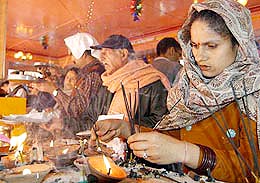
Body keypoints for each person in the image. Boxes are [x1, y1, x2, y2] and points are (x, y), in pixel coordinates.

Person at [91, 1, 260, 182]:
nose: (199, 56)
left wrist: (185, 151)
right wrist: (127, 129)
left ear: (238, 44)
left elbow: (251, 169)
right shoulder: (190, 88)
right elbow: (172, 138)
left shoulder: (252, 92)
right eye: (194, 45)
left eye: (211, 46)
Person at [87, 34, 170, 140]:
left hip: (142, 151)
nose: (101, 58)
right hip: (108, 151)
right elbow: (91, 115)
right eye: (101, 53)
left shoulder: (151, 81)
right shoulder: (106, 85)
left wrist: (125, 126)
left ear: (123, 54)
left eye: (106, 53)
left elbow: (164, 123)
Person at [33, 33, 105, 134]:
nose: (72, 59)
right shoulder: (88, 73)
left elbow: (76, 110)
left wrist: (54, 91)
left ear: (82, 54)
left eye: (72, 54)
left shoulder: (92, 74)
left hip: (89, 133)